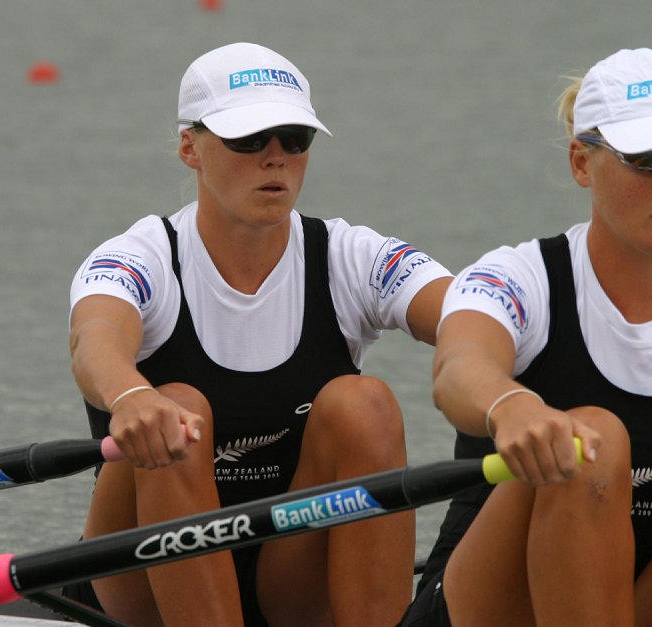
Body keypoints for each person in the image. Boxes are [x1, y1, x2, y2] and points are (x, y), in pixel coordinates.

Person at [402, 48, 652, 626]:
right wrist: (510, 404)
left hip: (645, 601)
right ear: (581, 162)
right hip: (491, 606)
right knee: (589, 441)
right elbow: (459, 366)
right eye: (649, 159)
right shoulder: (516, 278)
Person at [66, 42, 452, 625]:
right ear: (189, 149)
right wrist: (131, 396)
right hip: (144, 577)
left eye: (295, 140)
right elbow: (94, 338)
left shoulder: (348, 255)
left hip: (292, 571)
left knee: (365, 403)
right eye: (249, 140)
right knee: (176, 409)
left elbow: (471, 318)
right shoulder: (138, 257)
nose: (276, 159)